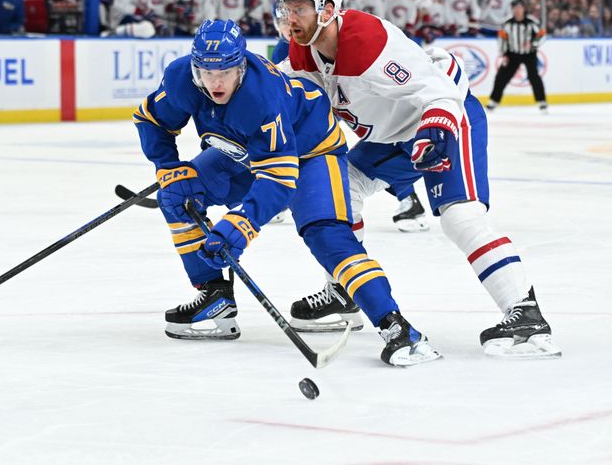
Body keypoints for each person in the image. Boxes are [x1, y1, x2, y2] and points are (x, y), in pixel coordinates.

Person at [278, 0, 560, 358]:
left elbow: (440, 92)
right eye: (286, 8)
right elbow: (281, 105)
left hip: (445, 117)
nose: (290, 19)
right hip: (393, 135)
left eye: (299, 9)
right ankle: (344, 291)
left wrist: (435, 130)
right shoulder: (302, 52)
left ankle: (526, 313)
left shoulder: (368, 42)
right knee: (339, 190)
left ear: (327, 9)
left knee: (459, 216)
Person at [132, 19, 442, 367]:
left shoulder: (261, 96)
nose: (216, 83)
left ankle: (396, 327)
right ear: (194, 67)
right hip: (242, 149)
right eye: (206, 72)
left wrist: (242, 223)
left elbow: (278, 180)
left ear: (242, 65)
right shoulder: (180, 79)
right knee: (176, 196)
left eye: (227, 72)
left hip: (312, 152)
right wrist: (168, 165)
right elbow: (151, 118)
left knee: (327, 235)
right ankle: (214, 299)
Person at [487, 0, 548, 112]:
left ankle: (542, 102)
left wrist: (533, 43)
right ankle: (493, 101)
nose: (517, 10)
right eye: (515, 8)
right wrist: (504, 54)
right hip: (512, 54)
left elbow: (542, 34)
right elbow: (502, 38)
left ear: (524, 9)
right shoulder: (508, 23)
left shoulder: (531, 22)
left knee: (534, 77)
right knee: (501, 77)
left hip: (529, 54)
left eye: (520, 7)